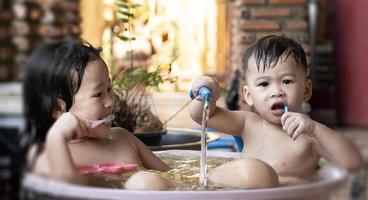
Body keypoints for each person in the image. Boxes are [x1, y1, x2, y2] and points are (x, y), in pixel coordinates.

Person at [189, 35, 363, 178]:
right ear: (248, 95)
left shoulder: (308, 136)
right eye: (264, 84)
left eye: (286, 81)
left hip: (286, 195)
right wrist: (209, 93)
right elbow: (202, 116)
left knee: (256, 172)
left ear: (306, 90)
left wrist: (317, 129)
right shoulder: (247, 123)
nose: (276, 92)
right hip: (245, 194)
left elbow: (353, 163)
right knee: (250, 171)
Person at [23, 39, 170, 185]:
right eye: (98, 94)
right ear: (58, 108)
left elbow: (174, 178)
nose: (110, 102)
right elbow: (65, 189)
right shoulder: (46, 153)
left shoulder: (124, 139)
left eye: (109, 89)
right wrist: (57, 137)